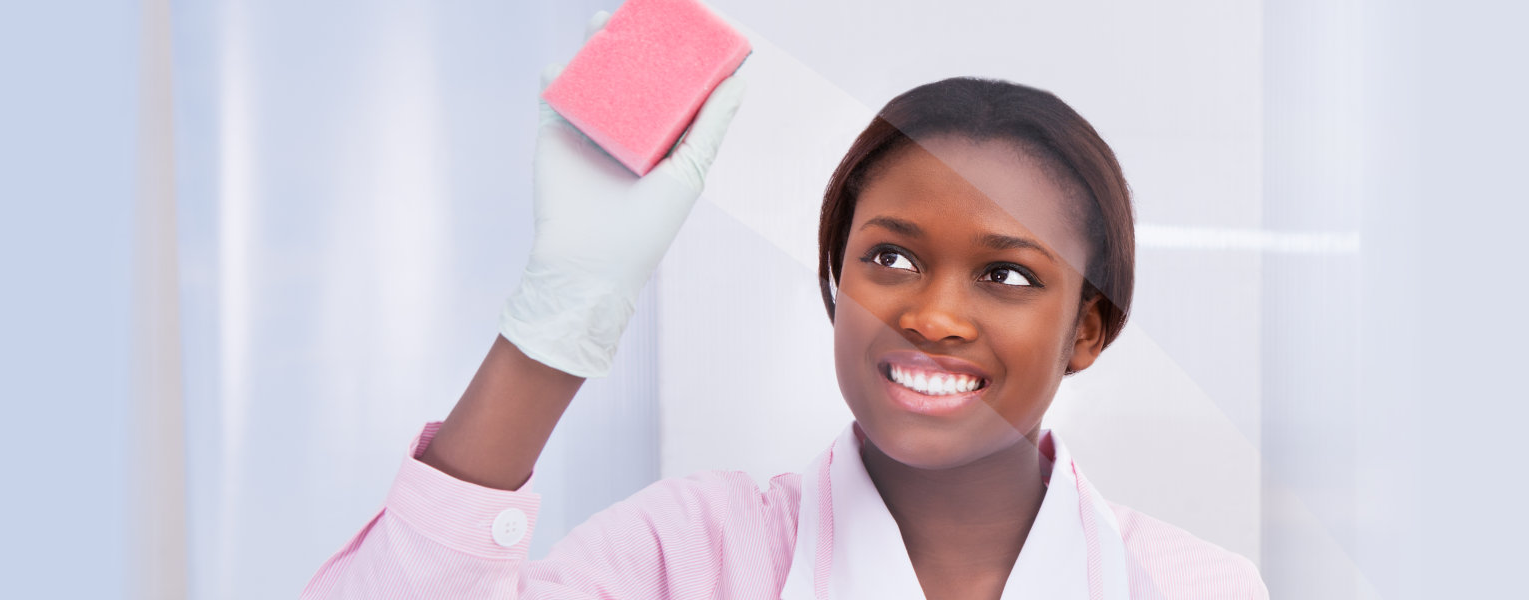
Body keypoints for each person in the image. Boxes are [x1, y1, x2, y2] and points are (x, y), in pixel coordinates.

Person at [304, 12, 1266, 600]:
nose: (932, 315)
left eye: (1006, 275)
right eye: (890, 256)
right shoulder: (691, 558)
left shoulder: (1192, 588)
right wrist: (560, 319)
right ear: (838, 281)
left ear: (1086, 331)